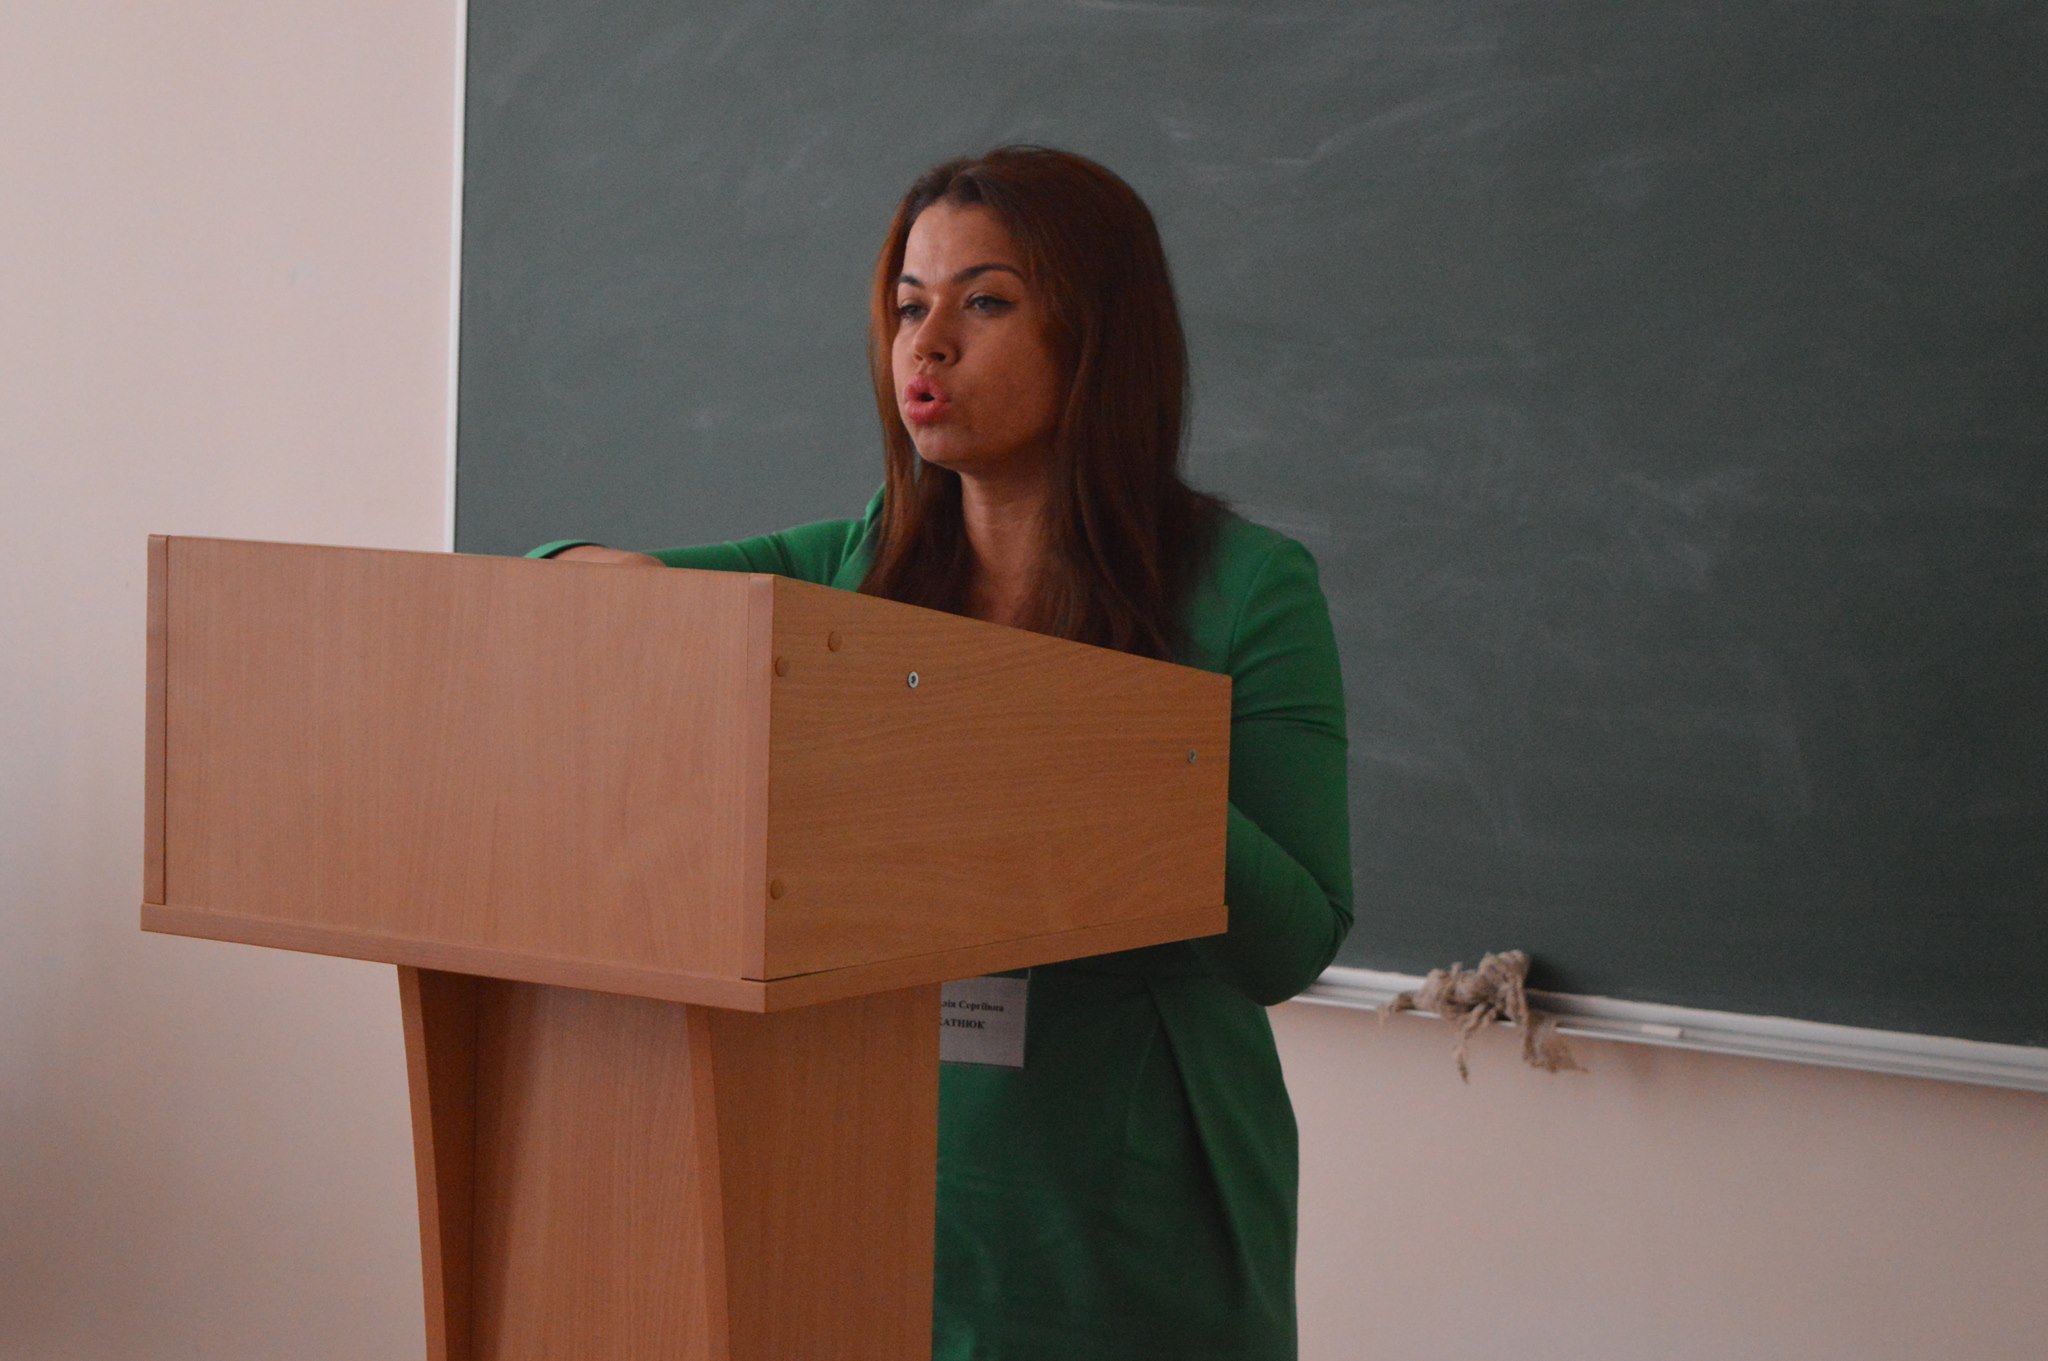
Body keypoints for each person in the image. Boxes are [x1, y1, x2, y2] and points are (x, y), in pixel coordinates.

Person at [530, 146, 1351, 1361]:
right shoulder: (858, 564)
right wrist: (617, 579)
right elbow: (560, 584)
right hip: (868, 1177)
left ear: (1096, 334)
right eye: (908, 307)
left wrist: (1091, 734)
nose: (927, 344)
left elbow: (1291, 940)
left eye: (985, 302)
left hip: (1129, 1216)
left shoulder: (1245, 586)